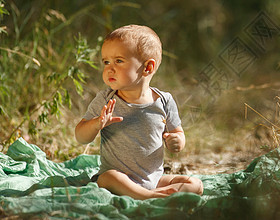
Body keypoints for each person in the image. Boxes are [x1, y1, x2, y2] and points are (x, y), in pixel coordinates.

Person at [75, 24, 203, 199]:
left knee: (196, 184)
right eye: (106, 62)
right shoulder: (106, 99)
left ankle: (152, 193)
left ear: (147, 68)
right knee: (108, 177)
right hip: (118, 179)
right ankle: (148, 196)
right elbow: (81, 137)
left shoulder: (164, 101)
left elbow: (177, 132)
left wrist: (177, 141)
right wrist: (96, 124)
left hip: (154, 179)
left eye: (118, 61)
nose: (109, 68)